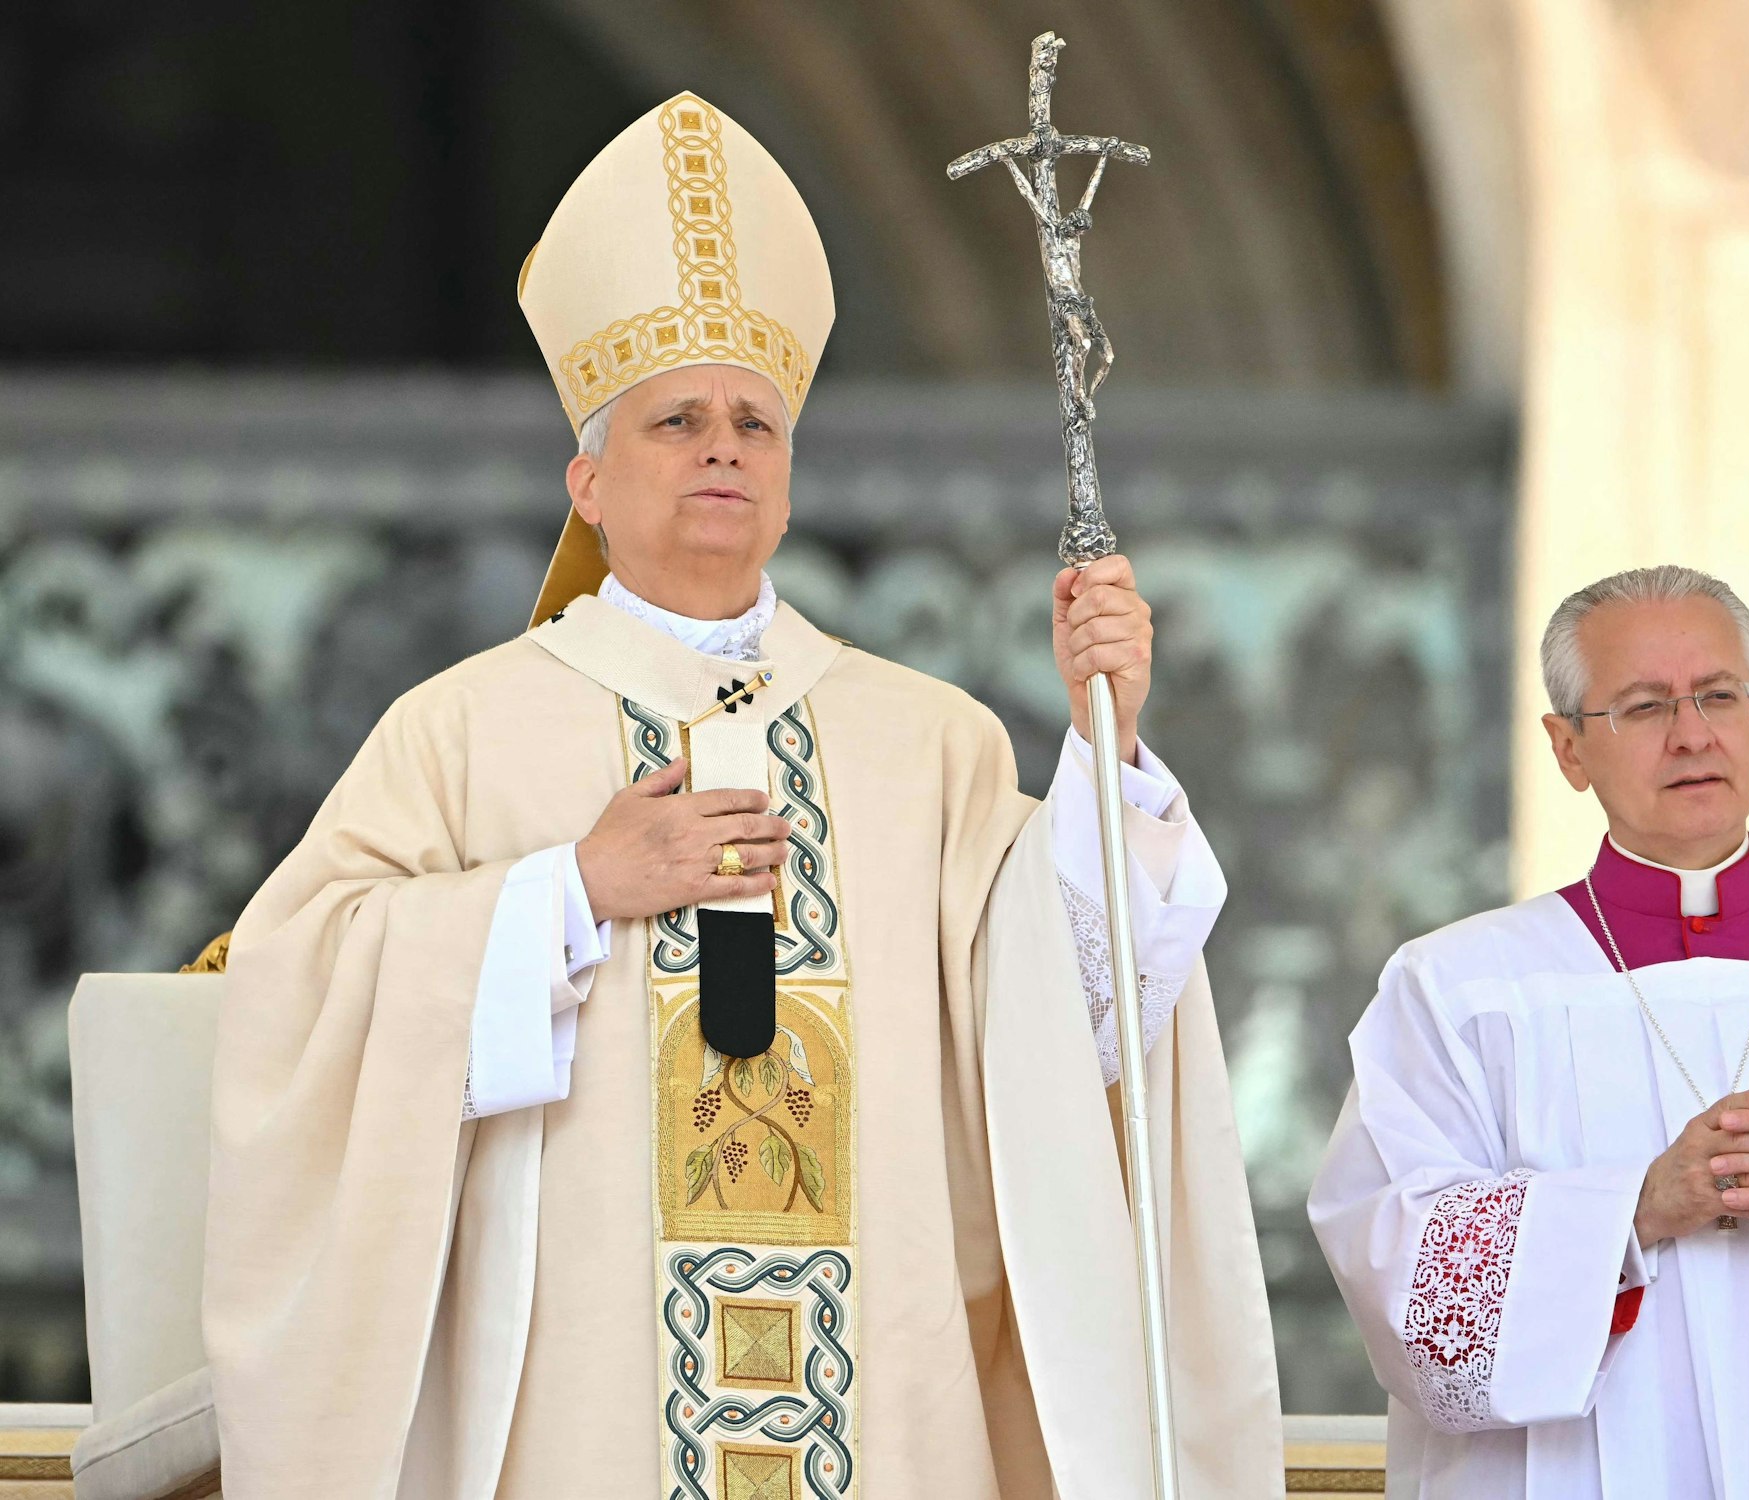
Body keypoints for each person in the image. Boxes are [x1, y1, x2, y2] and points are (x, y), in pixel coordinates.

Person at [203, 95, 1281, 1498]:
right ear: (586, 481)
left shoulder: (928, 741)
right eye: (676, 421)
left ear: (785, 476)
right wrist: (570, 890)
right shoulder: (465, 729)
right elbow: (296, 991)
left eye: (754, 424)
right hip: (585, 1417)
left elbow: (1056, 1028)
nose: (723, 446)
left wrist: (1108, 757)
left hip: (874, 1395)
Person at [1309, 563, 1749, 1498]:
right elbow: (1396, 1261)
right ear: (1566, 750)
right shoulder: (1458, 989)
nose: (1691, 735)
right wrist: (1634, 1208)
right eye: (1641, 707)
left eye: (1719, 695)